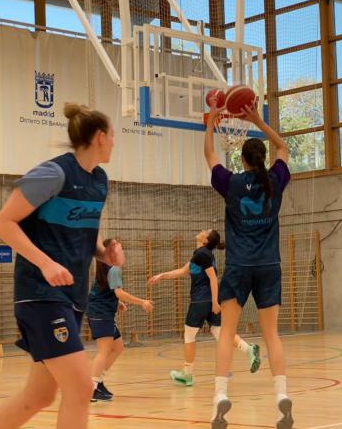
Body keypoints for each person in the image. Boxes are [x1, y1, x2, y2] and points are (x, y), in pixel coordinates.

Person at [0, 103, 122, 429]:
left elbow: (85, 236)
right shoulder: (54, 173)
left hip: (71, 298)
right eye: (113, 136)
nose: (115, 142)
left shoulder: (99, 180)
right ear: (100, 138)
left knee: (39, 397)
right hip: (41, 295)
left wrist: (104, 253)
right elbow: (4, 223)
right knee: (80, 387)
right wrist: (45, 263)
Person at [204, 101, 293, 429]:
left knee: (226, 332)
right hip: (269, 265)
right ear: (263, 159)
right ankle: (282, 394)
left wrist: (211, 124)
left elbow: (210, 156)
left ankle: (220, 396)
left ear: (242, 160)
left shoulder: (232, 184)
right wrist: (257, 119)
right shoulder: (276, 180)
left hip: (239, 266)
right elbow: (283, 146)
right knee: (272, 335)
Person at [148, 229, 261, 387]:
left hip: (201, 300)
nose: (202, 231)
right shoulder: (202, 254)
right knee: (218, 331)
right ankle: (248, 349)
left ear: (206, 240)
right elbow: (182, 271)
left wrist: (215, 301)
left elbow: (213, 278)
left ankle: (187, 375)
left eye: (205, 232)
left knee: (189, 335)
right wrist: (161, 276)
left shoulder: (202, 254)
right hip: (208, 300)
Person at [88, 239, 153, 402]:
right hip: (100, 313)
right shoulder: (113, 268)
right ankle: (91, 387)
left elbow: (105, 290)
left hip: (103, 311)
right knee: (104, 351)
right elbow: (118, 292)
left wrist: (117, 303)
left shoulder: (107, 265)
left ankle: (99, 381)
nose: (120, 246)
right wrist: (142, 302)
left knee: (118, 347)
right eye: (117, 245)